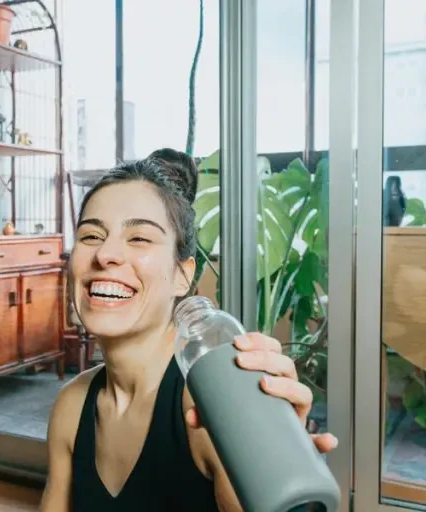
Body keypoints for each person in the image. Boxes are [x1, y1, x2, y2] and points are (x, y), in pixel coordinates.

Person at [41, 148, 338, 511]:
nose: (106, 255)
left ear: (183, 274)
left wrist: (275, 470)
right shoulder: (72, 407)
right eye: (90, 236)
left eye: (139, 238)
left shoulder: (208, 409)